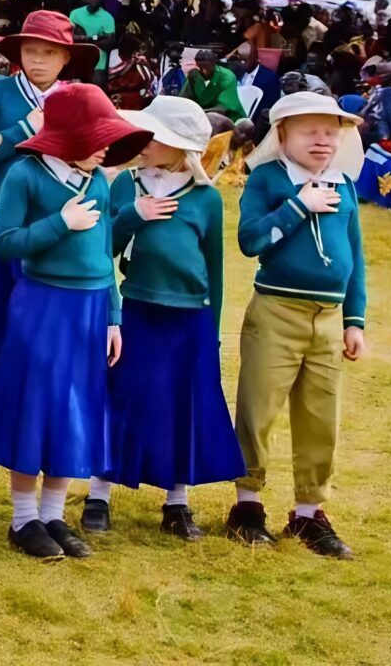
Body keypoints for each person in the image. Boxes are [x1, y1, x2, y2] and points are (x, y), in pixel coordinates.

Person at [0, 84, 152, 562]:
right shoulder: (24, 175)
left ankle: (54, 513)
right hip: (42, 307)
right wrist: (60, 222)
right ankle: (22, 518)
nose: (106, 150)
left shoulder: (96, 180)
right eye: (97, 139)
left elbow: (102, 256)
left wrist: (114, 317)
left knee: (75, 411)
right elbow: (5, 243)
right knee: (36, 407)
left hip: (91, 310)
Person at [81, 96, 242, 539]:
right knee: (123, 396)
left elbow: (215, 269)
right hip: (137, 310)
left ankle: (177, 501)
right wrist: (135, 215)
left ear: (180, 147)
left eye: (155, 138)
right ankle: (99, 493)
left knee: (182, 404)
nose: (144, 144)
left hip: (190, 318)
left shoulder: (206, 199)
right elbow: (101, 250)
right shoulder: (124, 186)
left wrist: (213, 333)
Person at [226, 92, 367, 560]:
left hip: (327, 319)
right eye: (310, 131)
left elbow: (355, 258)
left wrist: (354, 320)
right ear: (282, 134)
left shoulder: (344, 183)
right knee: (257, 409)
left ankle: (309, 512)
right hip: (277, 311)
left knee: (321, 416)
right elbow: (251, 241)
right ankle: (248, 505)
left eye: (331, 131)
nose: (322, 141)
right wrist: (298, 206)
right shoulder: (267, 179)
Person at [0, 10, 98, 366]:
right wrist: (25, 128)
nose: (38, 59)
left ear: (67, 56)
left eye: (49, 52)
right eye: (31, 50)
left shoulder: (80, 97)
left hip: (60, 230)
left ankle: (39, 411)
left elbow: (97, 159)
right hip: (0, 225)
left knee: (43, 333)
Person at [67, 0, 116, 78]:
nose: (93, 0)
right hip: (76, 62)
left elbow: (109, 43)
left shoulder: (107, 18)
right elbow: (70, 37)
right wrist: (97, 37)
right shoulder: (75, 14)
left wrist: (84, 39)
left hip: (98, 65)